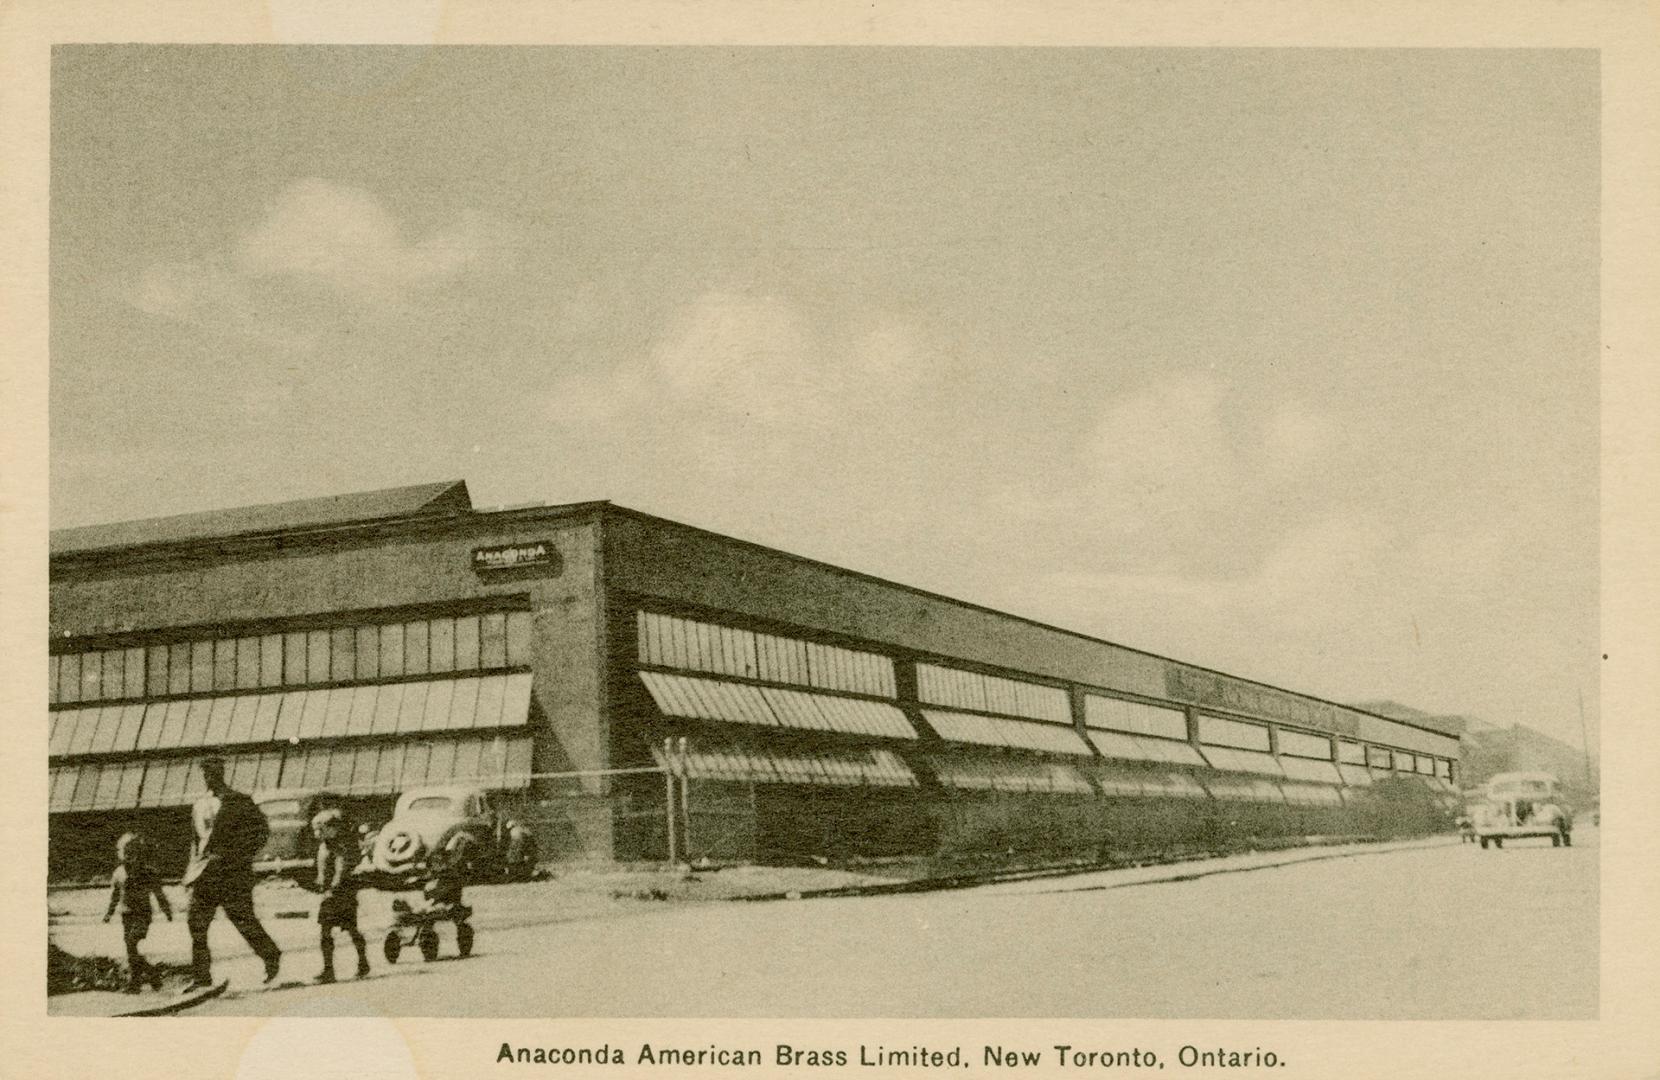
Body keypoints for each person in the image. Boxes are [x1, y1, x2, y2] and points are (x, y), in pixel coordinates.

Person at [182, 755, 281, 989]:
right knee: (196, 923)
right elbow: (196, 842)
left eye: (214, 772)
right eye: (206, 773)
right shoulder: (199, 805)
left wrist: (238, 855)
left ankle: (271, 956)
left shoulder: (239, 801)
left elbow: (260, 832)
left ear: (222, 773)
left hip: (232, 873)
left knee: (243, 920)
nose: (210, 777)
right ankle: (201, 977)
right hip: (203, 874)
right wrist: (189, 873)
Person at [102, 832, 172, 992]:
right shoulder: (119, 873)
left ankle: (138, 981)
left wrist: (167, 910)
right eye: (126, 853)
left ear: (140, 853)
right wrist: (109, 912)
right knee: (130, 949)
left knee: (132, 943)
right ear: (121, 854)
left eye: (133, 853)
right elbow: (115, 895)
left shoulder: (148, 872)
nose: (129, 856)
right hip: (126, 914)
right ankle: (147, 975)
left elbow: (158, 892)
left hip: (143, 914)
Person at [311, 809, 370, 983]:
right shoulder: (325, 846)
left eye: (321, 829)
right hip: (330, 893)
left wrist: (333, 888)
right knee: (327, 932)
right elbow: (322, 870)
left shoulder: (340, 845)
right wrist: (320, 883)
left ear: (332, 828)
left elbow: (341, 869)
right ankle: (331, 968)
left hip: (341, 893)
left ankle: (361, 962)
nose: (317, 833)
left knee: (350, 929)